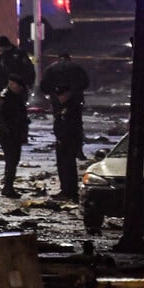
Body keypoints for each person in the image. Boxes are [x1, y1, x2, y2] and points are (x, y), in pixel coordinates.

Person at [40, 52, 90, 201]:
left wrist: (56, 95)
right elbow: (85, 83)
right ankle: (71, 188)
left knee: (63, 155)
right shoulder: (77, 68)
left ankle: (67, 190)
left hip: (60, 115)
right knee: (71, 153)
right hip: (74, 113)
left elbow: (44, 86)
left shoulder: (51, 69)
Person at [0, 73, 29, 198]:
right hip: (8, 134)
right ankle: (8, 187)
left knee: (13, 160)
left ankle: (8, 186)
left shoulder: (18, 96)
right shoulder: (6, 97)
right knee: (11, 159)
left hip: (15, 133)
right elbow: (2, 116)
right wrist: (8, 131)